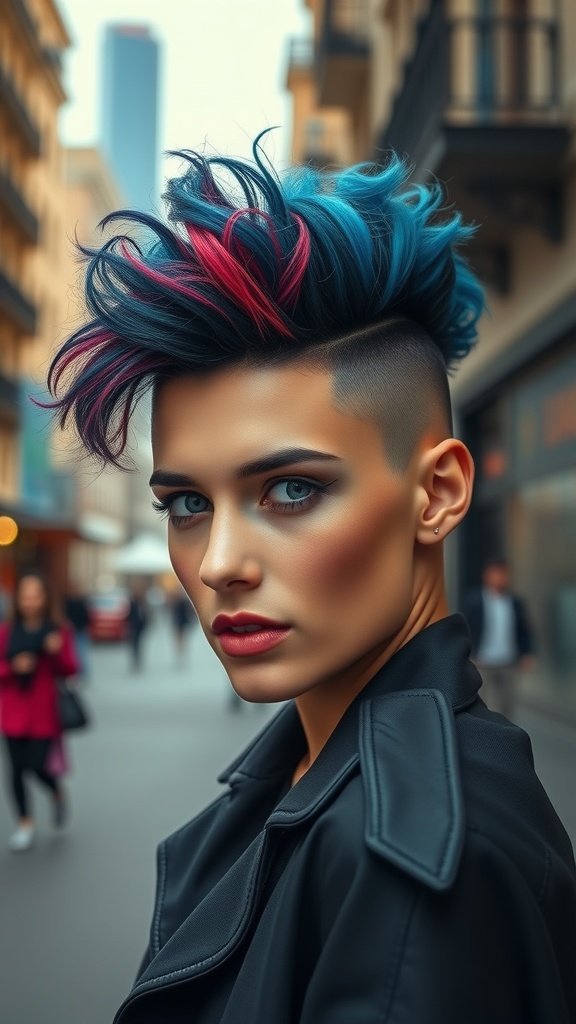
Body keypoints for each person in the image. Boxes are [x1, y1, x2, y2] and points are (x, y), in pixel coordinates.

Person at [47, 139, 576, 1022]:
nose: (217, 564)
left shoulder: (422, 867)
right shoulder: (309, 778)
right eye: (185, 504)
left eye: (291, 490)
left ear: (438, 493)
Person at [0, 573, 78, 851]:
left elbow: (71, 669)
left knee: (37, 765)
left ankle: (56, 792)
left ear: (45, 598)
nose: (30, 601)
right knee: (15, 771)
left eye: (36, 595)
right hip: (12, 712)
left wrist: (55, 652)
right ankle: (24, 824)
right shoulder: (7, 631)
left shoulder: (59, 630)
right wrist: (12, 668)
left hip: (44, 712)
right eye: (25, 595)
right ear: (18, 599)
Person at [463, 559, 536, 718]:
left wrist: (527, 652)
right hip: (482, 661)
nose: (500, 578)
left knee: (508, 704)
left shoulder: (515, 602)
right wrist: (470, 654)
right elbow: (465, 629)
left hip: (508, 660)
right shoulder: (474, 601)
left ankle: (509, 736)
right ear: (487, 576)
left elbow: (524, 629)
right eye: (496, 574)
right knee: (480, 703)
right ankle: (483, 735)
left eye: (503, 574)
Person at [64, 581, 92, 682]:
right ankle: (75, 673)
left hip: (81, 630)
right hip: (72, 631)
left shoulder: (82, 601)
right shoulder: (68, 601)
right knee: (74, 653)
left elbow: (87, 616)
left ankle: (83, 674)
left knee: (82, 653)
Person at [169, 587, 196, 665]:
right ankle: (179, 654)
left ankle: (182, 654)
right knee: (178, 640)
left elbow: (187, 613)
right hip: (177, 623)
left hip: (182, 623)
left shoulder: (183, 602)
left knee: (182, 640)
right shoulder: (175, 602)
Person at [127, 584, 149, 672]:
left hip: (140, 627)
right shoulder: (132, 602)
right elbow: (129, 614)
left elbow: (146, 615)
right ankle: (135, 660)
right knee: (134, 645)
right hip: (133, 626)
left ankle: (138, 660)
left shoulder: (143, 602)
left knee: (139, 644)